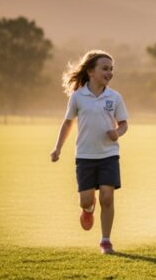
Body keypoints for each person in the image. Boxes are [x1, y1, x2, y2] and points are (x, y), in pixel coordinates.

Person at [50, 50, 128, 254]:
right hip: (85, 156)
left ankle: (105, 241)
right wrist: (57, 148)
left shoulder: (115, 97)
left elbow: (124, 124)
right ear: (91, 71)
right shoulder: (78, 97)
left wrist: (117, 132)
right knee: (86, 199)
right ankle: (88, 209)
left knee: (107, 197)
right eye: (105, 68)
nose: (109, 72)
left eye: (111, 69)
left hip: (109, 155)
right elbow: (68, 123)